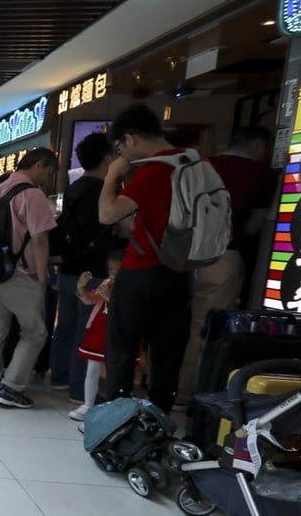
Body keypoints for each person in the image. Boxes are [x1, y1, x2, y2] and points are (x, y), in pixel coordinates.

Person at [98, 103, 193, 413]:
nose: (123, 154)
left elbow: (107, 214)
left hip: (142, 271)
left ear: (131, 138)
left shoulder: (155, 171)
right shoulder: (195, 163)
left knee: (122, 348)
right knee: (167, 352)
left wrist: (112, 175)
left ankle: (118, 420)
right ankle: (160, 418)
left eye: (120, 147)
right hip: (181, 272)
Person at [176, 125, 278, 407]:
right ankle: (185, 393)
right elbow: (253, 226)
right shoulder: (263, 176)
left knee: (173, 323)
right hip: (222, 257)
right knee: (203, 328)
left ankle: (159, 384)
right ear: (258, 147)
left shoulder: (201, 166)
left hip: (179, 256)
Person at [0, 148, 57, 409]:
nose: (48, 178)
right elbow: (40, 239)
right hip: (20, 273)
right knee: (35, 332)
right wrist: (43, 274)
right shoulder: (31, 194)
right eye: (48, 172)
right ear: (39, 165)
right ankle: (11, 388)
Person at [49, 132, 120, 403]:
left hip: (68, 267)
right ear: (107, 158)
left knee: (66, 325)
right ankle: (79, 388)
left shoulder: (74, 188)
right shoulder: (104, 190)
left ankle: (60, 376)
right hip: (94, 270)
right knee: (86, 329)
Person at [69, 248, 125, 422]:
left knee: (117, 371)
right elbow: (90, 299)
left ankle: (116, 408)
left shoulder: (128, 286)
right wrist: (81, 287)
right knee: (92, 369)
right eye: (110, 269)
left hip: (117, 333)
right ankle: (88, 405)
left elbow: (127, 310)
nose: (113, 273)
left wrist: (110, 297)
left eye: (117, 269)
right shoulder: (107, 283)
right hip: (98, 330)